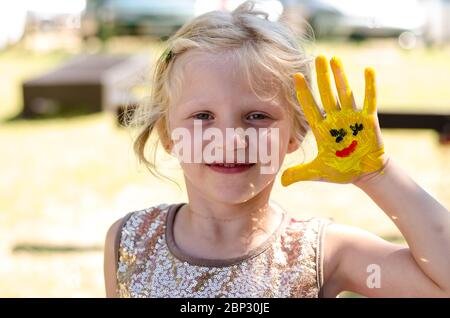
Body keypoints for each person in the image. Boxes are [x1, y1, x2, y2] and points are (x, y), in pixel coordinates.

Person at [103, 1, 450, 298]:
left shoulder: (327, 253)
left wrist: (378, 173)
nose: (231, 138)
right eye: (203, 116)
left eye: (257, 115)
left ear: (295, 133)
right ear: (168, 133)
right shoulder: (128, 241)